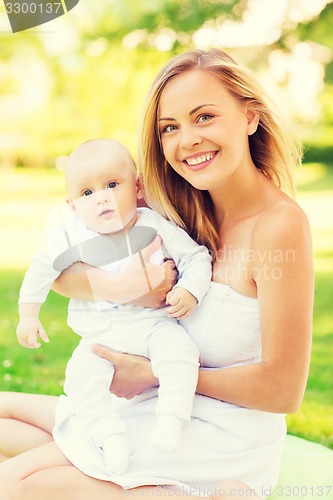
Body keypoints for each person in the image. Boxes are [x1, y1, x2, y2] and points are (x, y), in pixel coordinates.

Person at [0, 49, 313, 500]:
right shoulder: (174, 206)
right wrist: (115, 287)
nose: (187, 140)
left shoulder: (279, 226)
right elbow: (60, 268)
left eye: (204, 117)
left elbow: (283, 391)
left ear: (250, 116)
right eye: (170, 127)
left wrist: (155, 374)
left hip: (220, 431)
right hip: (153, 404)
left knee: (16, 484)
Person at [15, 138, 212, 475]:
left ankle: (171, 419)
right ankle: (110, 436)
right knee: (80, 383)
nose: (102, 197)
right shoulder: (73, 236)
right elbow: (41, 269)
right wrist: (28, 314)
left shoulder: (153, 225)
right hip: (100, 337)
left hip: (153, 325)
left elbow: (196, 255)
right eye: (87, 193)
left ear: (136, 187)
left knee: (180, 353)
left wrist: (190, 290)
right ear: (73, 205)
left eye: (111, 184)